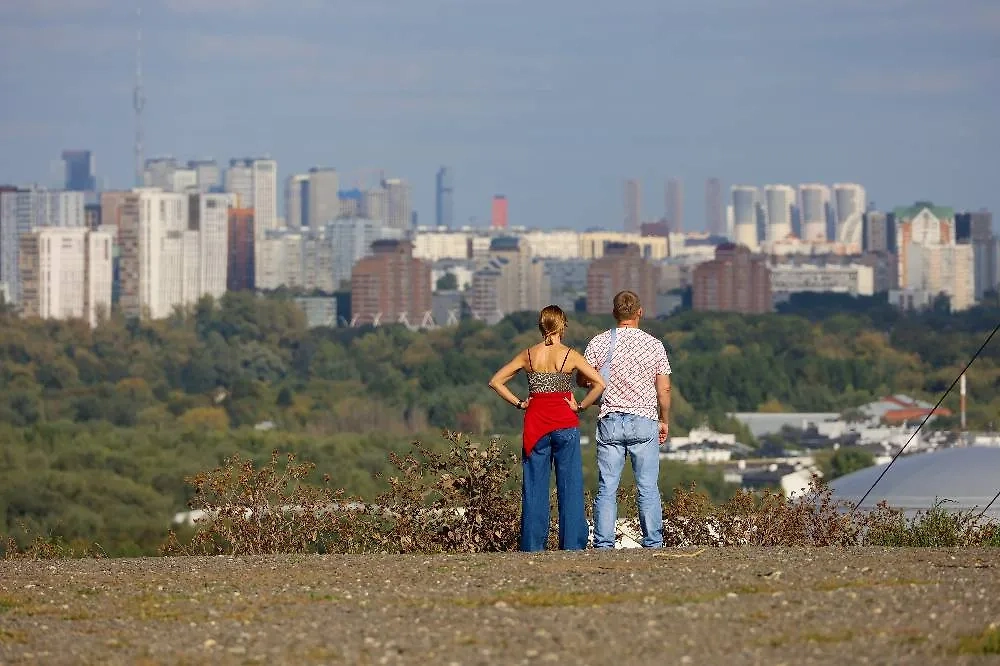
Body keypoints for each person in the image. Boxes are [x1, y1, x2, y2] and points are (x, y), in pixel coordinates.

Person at [489, 305, 605, 552]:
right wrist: (582, 406)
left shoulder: (528, 355)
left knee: (534, 488)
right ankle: (572, 545)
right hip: (565, 422)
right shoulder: (570, 355)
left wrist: (520, 403)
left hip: (535, 424)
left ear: (542, 326)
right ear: (562, 325)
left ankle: (532, 546)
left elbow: (495, 381)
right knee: (570, 486)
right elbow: (599, 383)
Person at [579, 290, 672, 549]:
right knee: (647, 487)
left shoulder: (598, 343)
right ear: (639, 312)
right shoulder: (654, 345)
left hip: (610, 418)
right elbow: (664, 389)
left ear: (614, 313)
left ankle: (604, 544)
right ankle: (653, 542)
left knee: (607, 488)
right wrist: (664, 420)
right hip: (644, 419)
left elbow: (583, 379)